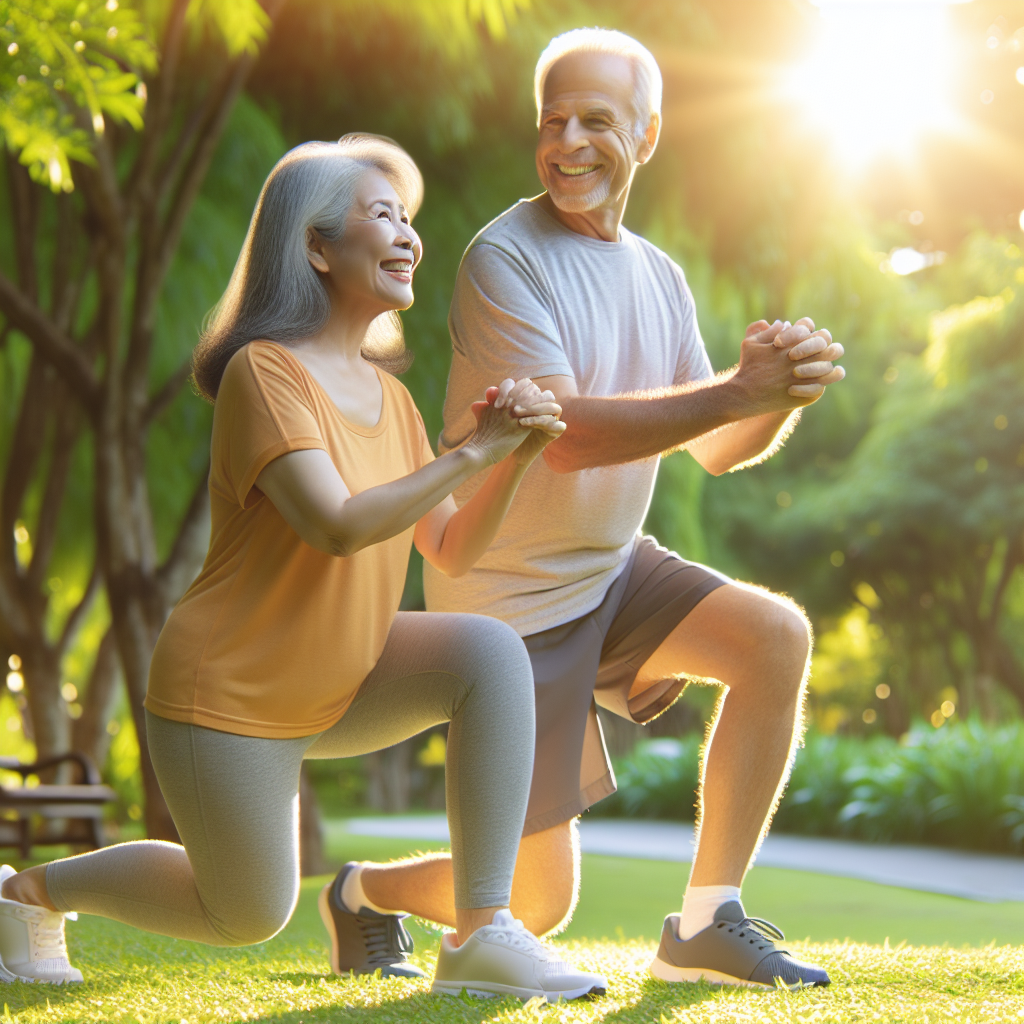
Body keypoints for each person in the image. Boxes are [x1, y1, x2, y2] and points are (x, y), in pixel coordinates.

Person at [0, 135, 607, 1003]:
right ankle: (26, 893)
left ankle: (481, 934)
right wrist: (475, 455)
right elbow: (334, 524)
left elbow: (455, 547)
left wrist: (512, 459)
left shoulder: (391, 398)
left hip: (341, 676)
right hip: (231, 693)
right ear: (316, 248)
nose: (408, 237)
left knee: (488, 655)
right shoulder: (265, 372)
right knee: (246, 913)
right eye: (381, 217)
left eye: (409, 220)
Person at [327, 33, 846, 990]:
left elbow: (718, 447)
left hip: (609, 568)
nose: (569, 141)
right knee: (538, 903)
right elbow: (561, 433)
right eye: (552, 120)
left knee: (774, 636)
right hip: (506, 606)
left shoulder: (659, 275)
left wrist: (777, 394)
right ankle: (362, 894)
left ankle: (705, 922)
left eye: (596, 121)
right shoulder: (504, 258)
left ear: (645, 135)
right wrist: (739, 389)